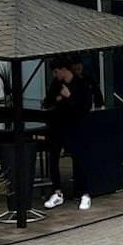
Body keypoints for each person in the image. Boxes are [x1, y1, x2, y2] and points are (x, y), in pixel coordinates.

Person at [43, 58, 102, 212]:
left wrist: (69, 96)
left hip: (76, 127)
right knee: (53, 159)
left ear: (64, 70)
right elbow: (47, 102)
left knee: (79, 161)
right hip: (59, 127)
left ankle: (85, 194)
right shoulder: (56, 84)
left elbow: (85, 106)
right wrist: (59, 98)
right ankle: (57, 192)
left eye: (56, 72)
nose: (55, 75)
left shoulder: (81, 83)